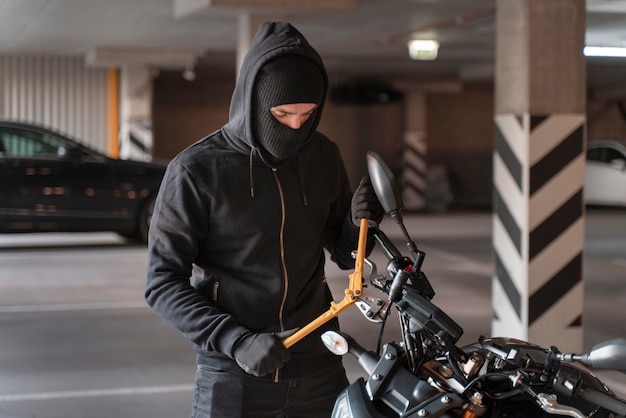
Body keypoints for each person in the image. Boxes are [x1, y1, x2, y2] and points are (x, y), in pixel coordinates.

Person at [145, 21, 384, 418]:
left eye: (308, 115)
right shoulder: (196, 170)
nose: (295, 126)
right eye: (282, 113)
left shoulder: (322, 155)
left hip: (318, 367)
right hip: (233, 373)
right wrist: (235, 340)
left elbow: (344, 255)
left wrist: (361, 224)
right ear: (253, 102)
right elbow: (162, 283)